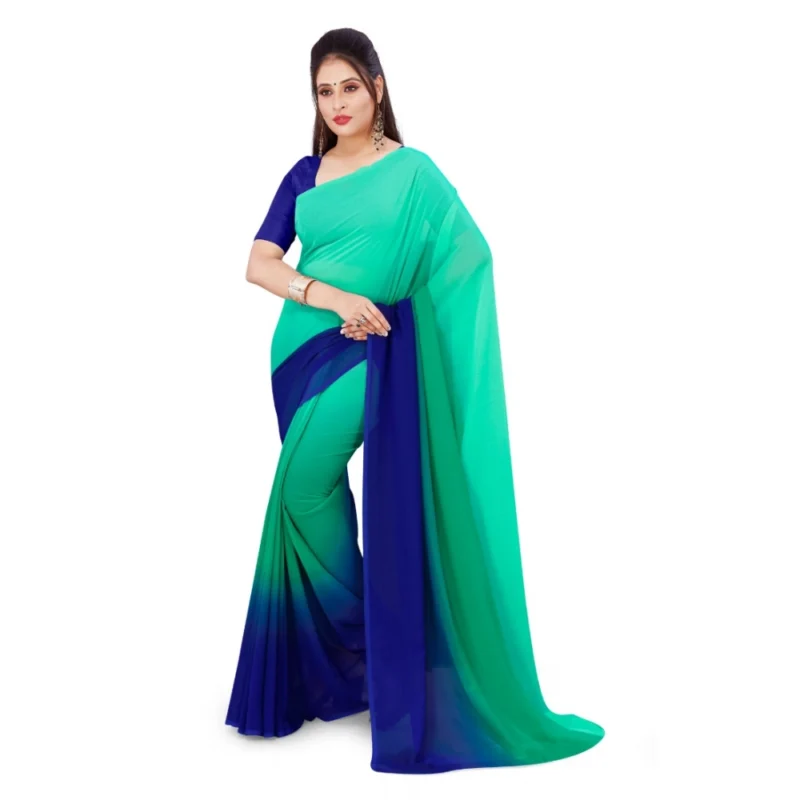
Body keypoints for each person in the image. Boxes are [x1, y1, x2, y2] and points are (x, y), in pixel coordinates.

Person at [225, 27, 605, 775]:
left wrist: (398, 312)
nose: (338, 103)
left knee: (297, 489)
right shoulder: (305, 174)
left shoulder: (414, 173)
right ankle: (360, 656)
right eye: (324, 91)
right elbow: (258, 263)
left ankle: (371, 648)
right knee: (310, 496)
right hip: (300, 353)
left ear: (378, 87)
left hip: (375, 353)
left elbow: (470, 256)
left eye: (350, 87)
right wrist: (331, 295)